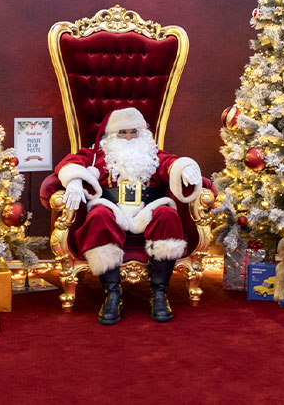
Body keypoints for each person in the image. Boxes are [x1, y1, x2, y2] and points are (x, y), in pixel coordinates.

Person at [55, 107, 203, 325]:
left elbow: (172, 162)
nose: (128, 137)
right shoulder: (96, 156)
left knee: (168, 214)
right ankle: (112, 293)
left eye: (133, 132)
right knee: (98, 215)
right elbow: (70, 164)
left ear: (141, 133)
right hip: (110, 208)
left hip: (147, 210)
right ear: (111, 135)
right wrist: (75, 180)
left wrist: (185, 167)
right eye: (122, 132)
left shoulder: (152, 155)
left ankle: (159, 293)